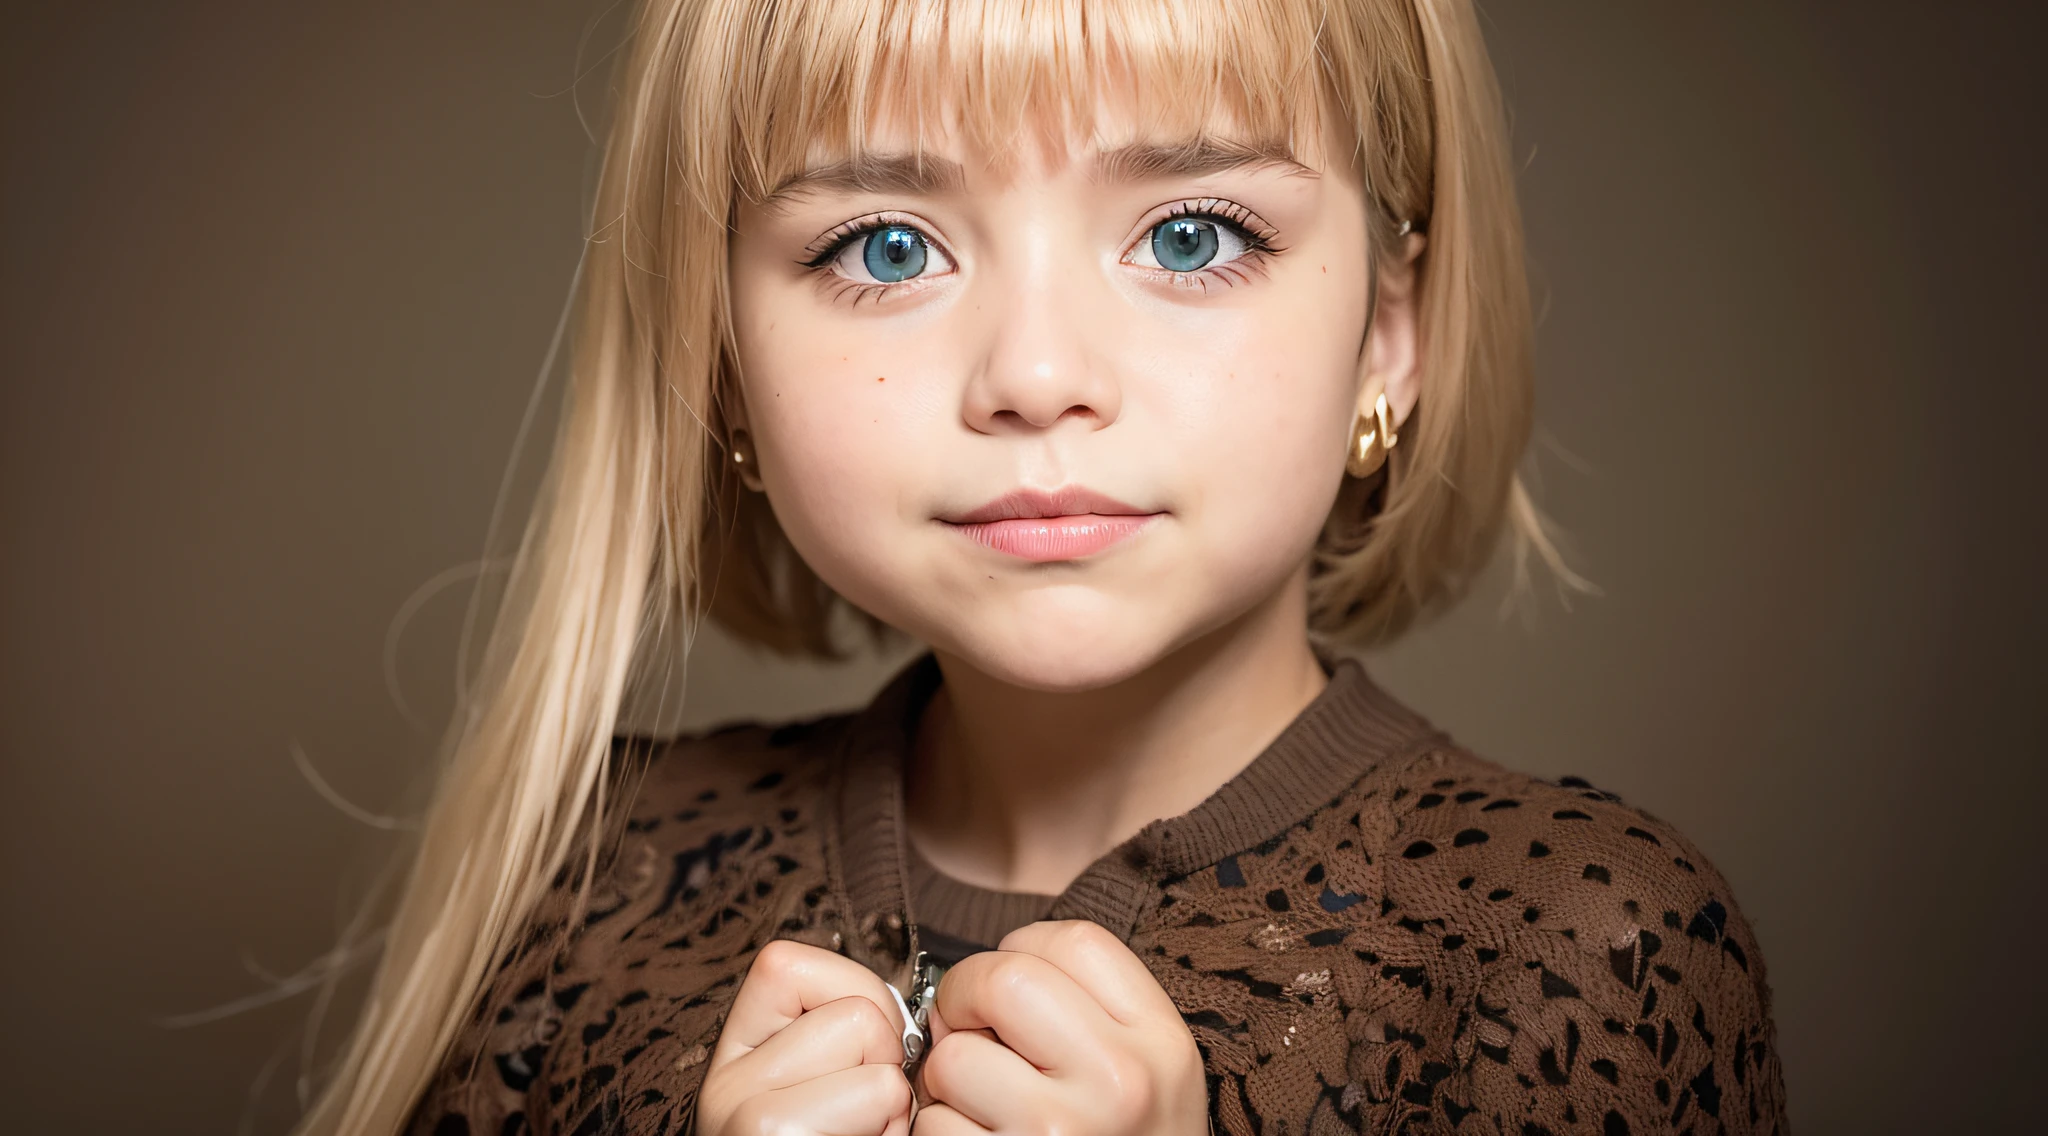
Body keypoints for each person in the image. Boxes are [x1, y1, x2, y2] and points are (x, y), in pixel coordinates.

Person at [298, 1, 1787, 1133]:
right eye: (886, 248)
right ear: (726, 365)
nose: (1036, 372)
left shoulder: (1583, 958)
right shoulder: (584, 898)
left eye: (1192, 231)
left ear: (1387, 332)